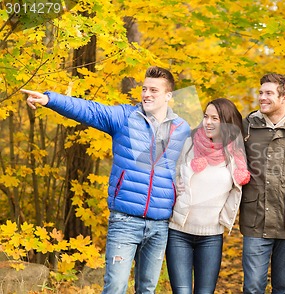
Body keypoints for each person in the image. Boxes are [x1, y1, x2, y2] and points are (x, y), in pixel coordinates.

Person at [22, 66, 191, 294]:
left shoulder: (182, 129)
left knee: (148, 289)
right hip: (125, 221)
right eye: (144, 89)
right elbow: (88, 110)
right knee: (115, 287)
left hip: (159, 224)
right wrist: (50, 99)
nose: (147, 94)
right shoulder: (124, 117)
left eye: (154, 90)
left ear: (169, 96)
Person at [166, 98, 250, 293]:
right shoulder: (189, 143)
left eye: (215, 118)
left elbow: (237, 188)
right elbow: (172, 175)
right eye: (206, 117)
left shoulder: (235, 154)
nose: (208, 122)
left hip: (211, 236)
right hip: (179, 232)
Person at [240, 73, 285, 293]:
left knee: (283, 287)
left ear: (284, 97)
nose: (262, 97)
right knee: (253, 286)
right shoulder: (247, 127)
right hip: (255, 218)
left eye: (268, 93)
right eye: (261, 92)